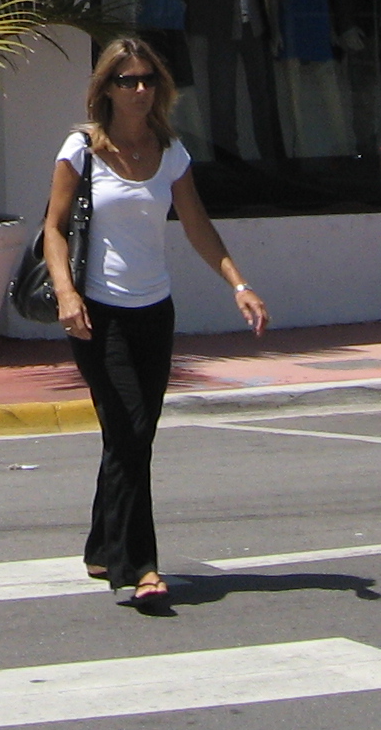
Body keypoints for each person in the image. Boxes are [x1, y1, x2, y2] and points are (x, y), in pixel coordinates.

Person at [43, 35, 267, 611]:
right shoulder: (82, 149)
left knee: (128, 435)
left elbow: (196, 225)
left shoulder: (171, 151)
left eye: (147, 80)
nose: (139, 90)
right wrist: (66, 293)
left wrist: (238, 284)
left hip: (154, 313)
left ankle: (100, 543)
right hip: (98, 313)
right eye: (127, 81)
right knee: (132, 431)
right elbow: (54, 228)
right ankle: (139, 567)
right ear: (107, 89)